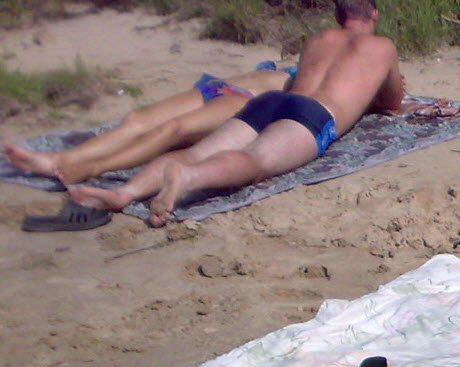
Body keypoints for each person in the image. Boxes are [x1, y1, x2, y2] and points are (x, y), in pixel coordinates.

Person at [67, 0, 404, 226]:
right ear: (374, 14)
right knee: (255, 161)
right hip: (314, 114)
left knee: (197, 152)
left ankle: (124, 193)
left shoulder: (319, 39)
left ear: (338, 16)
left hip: (272, 100)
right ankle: (187, 179)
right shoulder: (383, 47)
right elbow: (392, 102)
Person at [3, 63, 296, 185]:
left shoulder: (312, 79)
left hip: (248, 102)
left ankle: (93, 168)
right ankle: (58, 160)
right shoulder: (310, 56)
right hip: (223, 86)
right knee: (136, 120)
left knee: (172, 129)